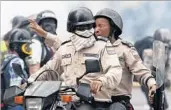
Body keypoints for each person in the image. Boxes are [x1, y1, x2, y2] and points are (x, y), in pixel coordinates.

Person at [28, 7, 122, 110]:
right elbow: (49, 69)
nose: (85, 30)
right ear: (72, 28)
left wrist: (101, 81)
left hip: (96, 102)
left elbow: (115, 70)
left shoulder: (103, 46)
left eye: (88, 26)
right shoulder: (65, 48)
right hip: (68, 101)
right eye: (81, 27)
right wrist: (31, 80)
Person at [94, 8, 157, 110]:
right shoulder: (91, 48)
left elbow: (140, 70)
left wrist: (151, 83)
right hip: (95, 102)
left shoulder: (125, 49)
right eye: (95, 26)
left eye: (101, 26)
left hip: (118, 102)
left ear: (113, 27)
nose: (96, 29)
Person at [1, 29, 31, 110]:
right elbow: (15, 89)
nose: (29, 49)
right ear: (17, 46)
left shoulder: (7, 58)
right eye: (26, 46)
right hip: (14, 104)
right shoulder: (17, 61)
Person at [26, 10, 58, 75]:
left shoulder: (51, 44)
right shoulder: (36, 44)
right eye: (47, 22)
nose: (50, 26)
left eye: (52, 22)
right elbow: (34, 75)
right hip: (43, 84)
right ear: (38, 26)